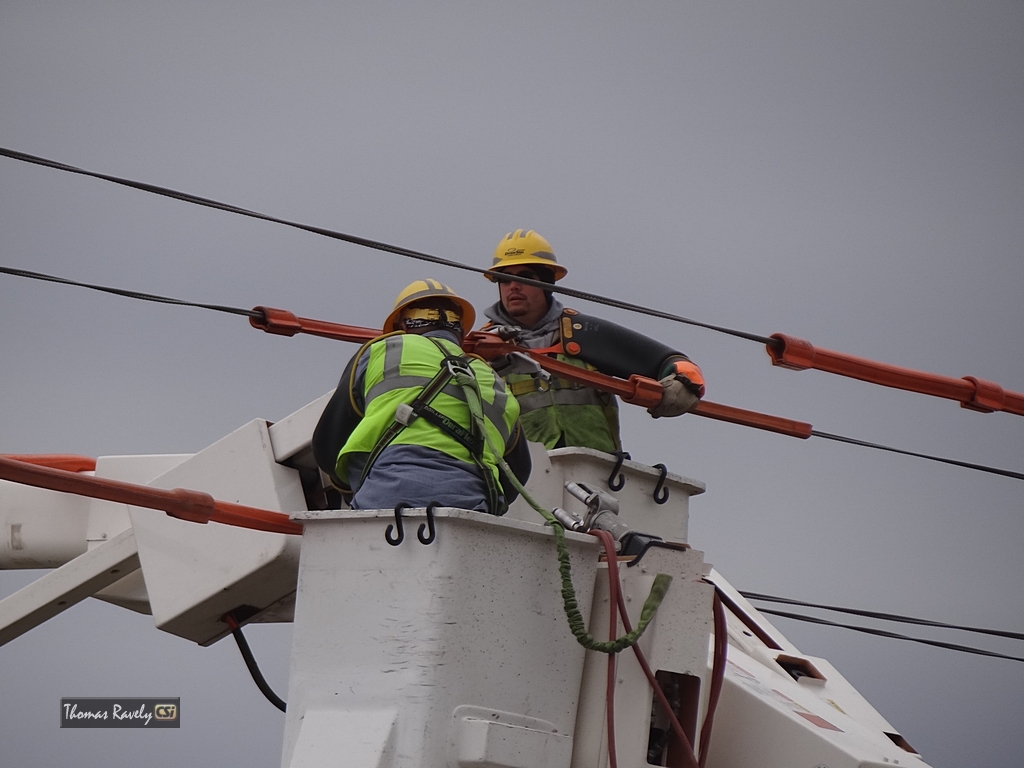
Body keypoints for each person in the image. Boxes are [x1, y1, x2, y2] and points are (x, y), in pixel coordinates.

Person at [312, 279, 530, 515]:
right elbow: (518, 472)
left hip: (384, 498)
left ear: (401, 327)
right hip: (470, 510)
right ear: (460, 332)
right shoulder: (494, 380)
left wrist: (355, 489)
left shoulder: (383, 351)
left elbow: (328, 443)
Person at [481, 229, 705, 454]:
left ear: (547, 282)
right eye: (504, 279)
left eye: (524, 277)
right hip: (522, 479)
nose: (513, 286)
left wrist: (683, 384)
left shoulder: (585, 334)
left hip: (597, 471)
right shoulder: (483, 350)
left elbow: (673, 362)